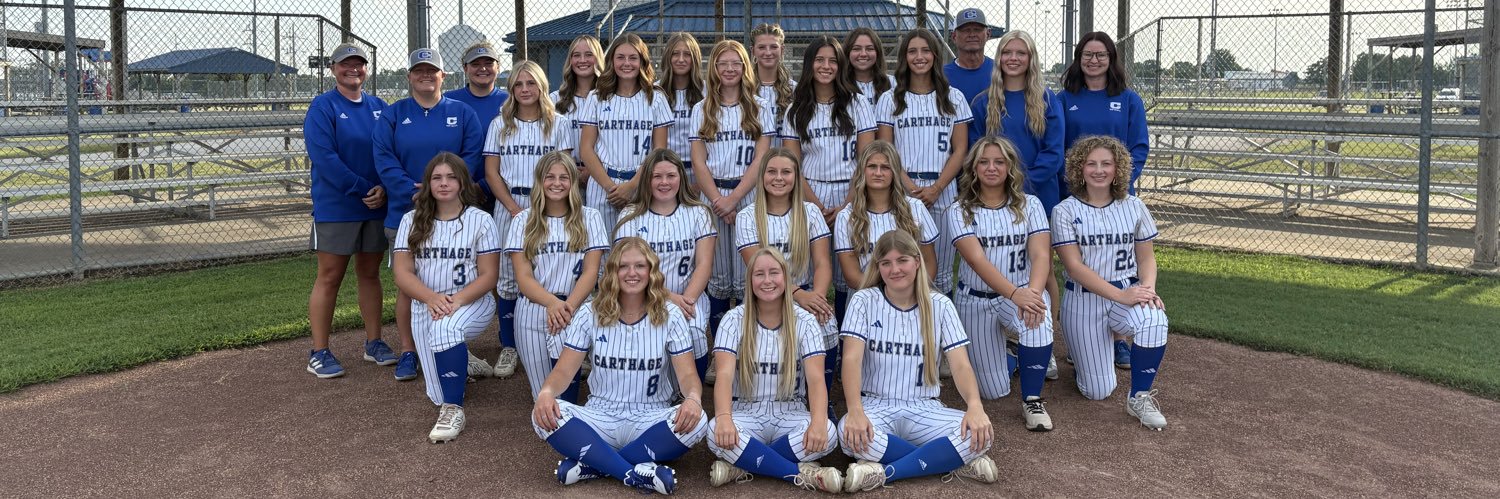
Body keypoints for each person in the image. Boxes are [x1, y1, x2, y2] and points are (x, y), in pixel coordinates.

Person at [531, 237, 708, 495]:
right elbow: (564, 371)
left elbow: (688, 375)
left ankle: (595, 464)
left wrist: (693, 398)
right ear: (612, 272)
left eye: (640, 266)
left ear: (651, 271)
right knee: (541, 415)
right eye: (623, 266)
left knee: (700, 420)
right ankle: (633, 473)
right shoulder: (590, 312)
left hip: (651, 416)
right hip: (600, 415)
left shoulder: (671, 314)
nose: (632, 273)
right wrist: (546, 393)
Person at [838, 230, 997, 492]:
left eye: (902, 260)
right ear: (878, 267)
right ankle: (949, 461)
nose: (895, 269)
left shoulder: (940, 305)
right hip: (875, 405)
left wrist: (975, 406)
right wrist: (855, 410)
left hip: (925, 406)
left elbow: (960, 365)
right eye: (886, 263)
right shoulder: (863, 300)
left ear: (917, 261)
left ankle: (886, 472)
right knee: (849, 435)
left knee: (981, 434)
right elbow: (852, 359)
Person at [374, 48, 486, 381]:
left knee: (457, 278)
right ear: (409, 76)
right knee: (409, 286)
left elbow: (471, 156)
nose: (425, 75)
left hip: (455, 214)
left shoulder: (462, 112)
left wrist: (446, 189)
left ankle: (453, 346)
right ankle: (409, 349)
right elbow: (383, 158)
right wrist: (418, 190)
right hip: (406, 211)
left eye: (432, 70)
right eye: (419, 70)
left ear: (444, 76)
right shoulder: (393, 114)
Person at [1052, 135, 1169, 430]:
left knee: (1155, 320)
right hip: (1083, 299)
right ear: (1079, 169)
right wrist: (1122, 295)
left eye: (1106, 163)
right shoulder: (1064, 210)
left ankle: (1138, 397)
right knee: (1097, 391)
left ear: (1118, 169)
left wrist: (1148, 290)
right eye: (1091, 164)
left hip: (1126, 291)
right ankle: (1083, 355)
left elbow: (1146, 258)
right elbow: (1074, 267)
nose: (1099, 170)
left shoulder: (1134, 205)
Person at [705, 248, 841, 492]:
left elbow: (816, 379)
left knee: (828, 431)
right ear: (750, 281)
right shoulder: (733, 319)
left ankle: (744, 465)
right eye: (759, 274)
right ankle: (798, 473)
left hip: (791, 411)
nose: (767, 281)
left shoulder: (805, 321)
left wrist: (819, 421)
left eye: (774, 273)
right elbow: (724, 376)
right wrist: (724, 418)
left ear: (786, 279)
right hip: (744, 411)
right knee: (716, 429)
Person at [948, 136, 1056, 431]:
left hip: (1020, 293)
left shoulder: (1030, 204)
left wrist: (1033, 293)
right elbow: (976, 261)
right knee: (993, 391)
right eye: (984, 161)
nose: (991, 168)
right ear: (973, 168)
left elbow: (1040, 253)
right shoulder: (959, 210)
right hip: (976, 299)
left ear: (1010, 167)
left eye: (999, 162)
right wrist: (1016, 294)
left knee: (1038, 316)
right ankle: (1014, 356)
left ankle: (1033, 399)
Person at [390, 152, 500, 443]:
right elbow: (402, 274)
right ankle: (462, 360)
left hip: (472, 302)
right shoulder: (411, 220)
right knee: (435, 392)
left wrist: (455, 301)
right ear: (427, 184)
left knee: (446, 329)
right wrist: (430, 298)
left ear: (463, 182)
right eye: (437, 177)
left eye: (451, 177)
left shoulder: (481, 220)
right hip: (425, 304)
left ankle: (455, 410)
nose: (444, 183)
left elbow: (489, 276)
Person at [1058, 32, 1150, 370]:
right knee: (1082, 263)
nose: (1093, 60)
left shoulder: (1127, 99)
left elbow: (1139, 146)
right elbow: (1059, 144)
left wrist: (1118, 183)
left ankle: (1118, 337)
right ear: (1078, 58)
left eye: (1101, 55)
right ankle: (1082, 337)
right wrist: (1074, 186)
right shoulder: (1065, 98)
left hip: (1118, 195)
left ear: (1111, 59)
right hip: (1077, 195)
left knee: (1120, 263)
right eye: (1087, 54)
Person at [303, 43, 394, 378]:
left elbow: (388, 151)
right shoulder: (323, 107)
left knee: (369, 274)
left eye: (359, 64)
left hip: (375, 204)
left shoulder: (379, 107)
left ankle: (374, 342)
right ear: (333, 69)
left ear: (366, 69)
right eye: (345, 65)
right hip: (338, 206)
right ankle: (319, 351)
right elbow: (324, 158)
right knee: (330, 276)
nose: (352, 69)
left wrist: (384, 187)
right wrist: (363, 188)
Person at [481, 60, 576, 379]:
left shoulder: (559, 122)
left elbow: (568, 170)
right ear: (511, 90)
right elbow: (491, 173)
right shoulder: (500, 124)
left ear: (541, 87)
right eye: (518, 85)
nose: (524, 90)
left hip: (551, 204)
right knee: (507, 278)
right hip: (513, 203)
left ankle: (563, 339)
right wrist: (512, 208)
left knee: (553, 274)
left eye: (531, 84)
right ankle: (509, 345)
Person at [690, 39, 777, 343]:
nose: (729, 69)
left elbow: (762, 158)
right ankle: (720, 349)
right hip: (712, 198)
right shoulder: (701, 108)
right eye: (722, 63)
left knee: (746, 274)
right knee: (716, 277)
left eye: (736, 63)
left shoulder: (760, 106)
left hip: (748, 195)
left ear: (745, 67)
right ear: (713, 67)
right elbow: (698, 162)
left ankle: (744, 346)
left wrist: (734, 199)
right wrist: (718, 200)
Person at [504, 151, 608, 403]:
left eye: (564, 177)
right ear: (539, 181)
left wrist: (566, 308)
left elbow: (591, 272)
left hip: (575, 307)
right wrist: (552, 304)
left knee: (566, 400)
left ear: (573, 182)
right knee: (543, 397)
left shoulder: (590, 216)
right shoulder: (523, 221)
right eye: (549, 177)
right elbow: (523, 277)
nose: (557, 183)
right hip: (533, 309)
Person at [875, 28, 971, 295]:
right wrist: (909, 188)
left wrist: (937, 188)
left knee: (938, 272)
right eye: (912, 51)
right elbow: (885, 149)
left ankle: (938, 332)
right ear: (905, 57)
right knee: (900, 263)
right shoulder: (890, 98)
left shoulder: (954, 97)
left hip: (943, 188)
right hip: (901, 189)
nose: (919, 57)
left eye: (925, 50)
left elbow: (961, 149)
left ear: (935, 55)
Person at [613, 148, 717, 383]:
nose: (664, 182)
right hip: (642, 296)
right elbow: (628, 273)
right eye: (657, 176)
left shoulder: (699, 212)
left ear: (681, 177)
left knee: (694, 333)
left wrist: (686, 300)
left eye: (671, 176)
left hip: (690, 296)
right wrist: (669, 298)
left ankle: (691, 395)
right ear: (647, 179)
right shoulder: (630, 216)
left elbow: (704, 264)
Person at [579, 33, 674, 228]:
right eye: (620, 57)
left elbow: (659, 151)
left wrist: (631, 187)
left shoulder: (655, 97)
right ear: (611, 60)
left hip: (643, 183)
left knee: (640, 252)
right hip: (603, 185)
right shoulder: (596, 97)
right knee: (603, 254)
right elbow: (586, 149)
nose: (626, 63)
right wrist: (611, 188)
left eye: (633, 58)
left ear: (642, 61)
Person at [734, 149, 835, 329]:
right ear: (762, 176)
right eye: (771, 171)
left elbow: (823, 263)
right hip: (764, 294)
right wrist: (799, 296)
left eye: (786, 172)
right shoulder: (746, 216)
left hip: (807, 290)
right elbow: (759, 267)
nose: (778, 178)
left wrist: (816, 299)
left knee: (826, 326)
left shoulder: (810, 212)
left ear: (796, 177)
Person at [833, 141, 939, 309]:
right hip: (866, 301)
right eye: (872, 166)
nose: (878, 173)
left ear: (894, 172)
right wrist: (890, 294)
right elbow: (852, 276)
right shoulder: (846, 216)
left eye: (885, 167)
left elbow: (929, 262)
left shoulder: (915, 208)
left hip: (911, 299)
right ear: (862, 171)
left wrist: (909, 294)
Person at [968, 30, 1065, 214]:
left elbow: (1054, 153)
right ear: (999, 58)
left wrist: (1020, 185)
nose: (1013, 58)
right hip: (994, 197)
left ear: (1031, 58)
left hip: (1039, 197)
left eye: (1021, 53)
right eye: (1007, 52)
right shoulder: (983, 103)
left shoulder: (1047, 101)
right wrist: (999, 187)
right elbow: (975, 152)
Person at [783, 34, 876, 223]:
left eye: (833, 61)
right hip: (810, 192)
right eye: (819, 60)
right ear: (809, 64)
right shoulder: (795, 109)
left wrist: (846, 205)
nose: (826, 66)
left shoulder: (858, 103)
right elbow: (792, 166)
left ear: (840, 66)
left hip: (852, 190)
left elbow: (867, 160)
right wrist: (817, 208)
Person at [445, 41, 510, 209]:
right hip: (456, 190)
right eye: (475, 64)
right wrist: (462, 184)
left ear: (498, 66)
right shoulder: (448, 100)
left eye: (488, 63)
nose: (482, 69)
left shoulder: (511, 101)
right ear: (465, 68)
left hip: (503, 189)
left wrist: (485, 185)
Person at [659, 32, 705, 178]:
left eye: (687, 54)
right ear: (668, 57)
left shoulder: (708, 91)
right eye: (675, 54)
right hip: (665, 169)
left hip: (700, 170)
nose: (681, 60)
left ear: (695, 58)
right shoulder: (655, 92)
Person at [551, 35, 604, 162]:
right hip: (563, 171)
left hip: (602, 171)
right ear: (570, 60)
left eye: (588, 54)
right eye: (576, 55)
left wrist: (591, 170)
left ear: (598, 58)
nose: (582, 60)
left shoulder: (610, 97)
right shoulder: (554, 99)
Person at [750, 23, 796, 145]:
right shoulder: (743, 88)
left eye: (774, 47)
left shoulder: (796, 90)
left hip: (785, 159)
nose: (768, 52)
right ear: (753, 51)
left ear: (782, 50)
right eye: (761, 47)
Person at [943, 7, 995, 106]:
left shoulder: (1000, 70)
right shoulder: (941, 75)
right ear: (954, 36)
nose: (972, 34)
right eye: (965, 30)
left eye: (977, 30)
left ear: (988, 34)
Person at [842, 28, 894, 106]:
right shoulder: (840, 85)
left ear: (877, 53)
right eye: (856, 49)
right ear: (847, 53)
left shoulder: (894, 83)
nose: (863, 54)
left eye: (870, 49)